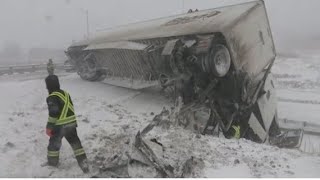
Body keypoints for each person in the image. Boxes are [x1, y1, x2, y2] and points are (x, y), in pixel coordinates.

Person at [45, 75, 89, 173]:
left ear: (48, 85)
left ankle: (52, 164)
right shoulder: (65, 93)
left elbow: (54, 113)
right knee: (76, 145)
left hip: (60, 126)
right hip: (71, 124)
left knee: (53, 146)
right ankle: (84, 164)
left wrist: (49, 127)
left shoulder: (52, 97)